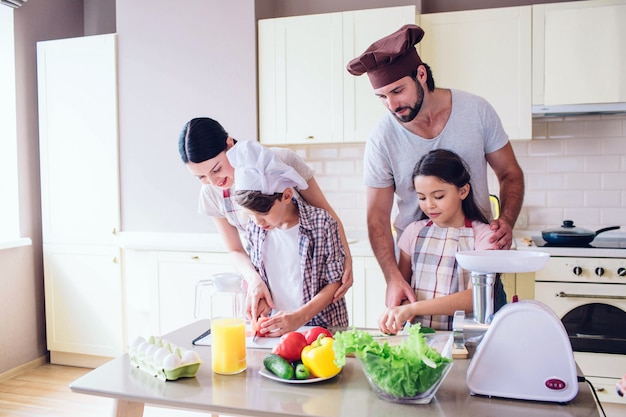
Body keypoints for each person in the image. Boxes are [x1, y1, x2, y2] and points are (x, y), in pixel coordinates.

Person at [346, 24, 524, 309]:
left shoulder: (476, 111)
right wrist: (393, 278)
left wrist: (508, 221)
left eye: (397, 91)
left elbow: (510, 173)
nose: (392, 105)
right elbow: (376, 219)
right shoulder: (382, 138)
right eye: (382, 97)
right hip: (416, 270)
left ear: (421, 74)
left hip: (475, 259)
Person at [179, 118, 353, 322]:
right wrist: (254, 281)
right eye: (201, 177)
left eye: (216, 169)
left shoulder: (280, 160)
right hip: (269, 283)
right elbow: (235, 249)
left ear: (229, 145)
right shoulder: (210, 193)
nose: (213, 182)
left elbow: (325, 213)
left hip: (311, 290)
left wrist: (345, 257)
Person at [228, 140, 349, 335]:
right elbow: (261, 273)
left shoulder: (321, 223)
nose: (258, 222)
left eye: (263, 213)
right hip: (276, 330)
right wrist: (260, 302)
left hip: (321, 329)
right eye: (251, 215)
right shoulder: (256, 228)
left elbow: (335, 283)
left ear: (286, 195)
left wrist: (299, 317)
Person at [378, 149, 498, 333]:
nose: (430, 205)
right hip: (418, 337)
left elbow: (474, 297)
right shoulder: (413, 232)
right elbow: (403, 288)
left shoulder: (483, 237)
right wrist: (396, 312)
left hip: (464, 339)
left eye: (439, 196)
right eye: (422, 197)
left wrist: (413, 308)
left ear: (463, 191)